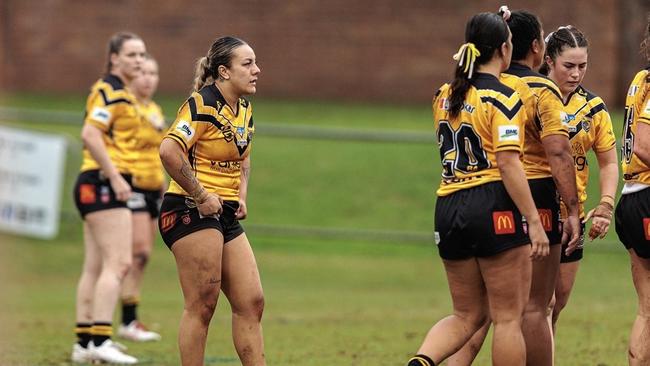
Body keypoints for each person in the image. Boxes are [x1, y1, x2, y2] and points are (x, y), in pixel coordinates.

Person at [406, 12, 549, 366]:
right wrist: (533, 219)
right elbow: (508, 163)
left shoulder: (444, 95)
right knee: (507, 318)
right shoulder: (503, 97)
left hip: (448, 205)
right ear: (504, 49)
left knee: (466, 315)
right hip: (492, 204)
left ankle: (422, 361)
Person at [448, 9, 581, 366]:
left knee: (478, 312)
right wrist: (573, 209)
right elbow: (558, 150)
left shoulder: (479, 84)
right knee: (534, 307)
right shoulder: (541, 88)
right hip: (533, 194)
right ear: (536, 47)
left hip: (486, 197)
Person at [158, 36, 265, 366]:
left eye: (255, 62)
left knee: (252, 301)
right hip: (188, 208)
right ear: (224, 71)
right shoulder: (200, 104)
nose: (256, 70)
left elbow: (243, 156)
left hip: (225, 211)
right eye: (247, 64)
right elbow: (168, 150)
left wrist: (240, 196)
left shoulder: (244, 109)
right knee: (202, 303)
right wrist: (201, 194)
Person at [71, 32, 145, 364]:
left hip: (95, 182)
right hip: (103, 183)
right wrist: (115, 176)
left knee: (96, 266)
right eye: (131, 54)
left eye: (142, 55)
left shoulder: (122, 93)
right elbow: (90, 133)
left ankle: (84, 343)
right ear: (114, 57)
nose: (138, 60)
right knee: (119, 263)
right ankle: (101, 340)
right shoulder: (110, 90)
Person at [539, 25, 618, 332]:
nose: (576, 74)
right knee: (537, 305)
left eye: (582, 66)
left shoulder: (593, 107)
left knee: (558, 303)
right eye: (568, 66)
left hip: (575, 216)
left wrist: (606, 205)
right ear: (549, 62)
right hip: (537, 211)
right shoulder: (534, 97)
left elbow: (609, 162)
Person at [118, 53, 165, 342]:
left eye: (153, 73)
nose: (148, 78)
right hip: (132, 187)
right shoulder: (127, 108)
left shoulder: (156, 110)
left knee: (143, 256)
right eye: (143, 72)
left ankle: (130, 318)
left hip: (153, 188)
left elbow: (159, 152)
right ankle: (127, 319)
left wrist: (162, 184)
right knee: (138, 251)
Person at [615, 16, 650, 366]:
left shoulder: (641, 78)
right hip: (648, 195)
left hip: (631, 196)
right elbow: (644, 143)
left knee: (647, 309)